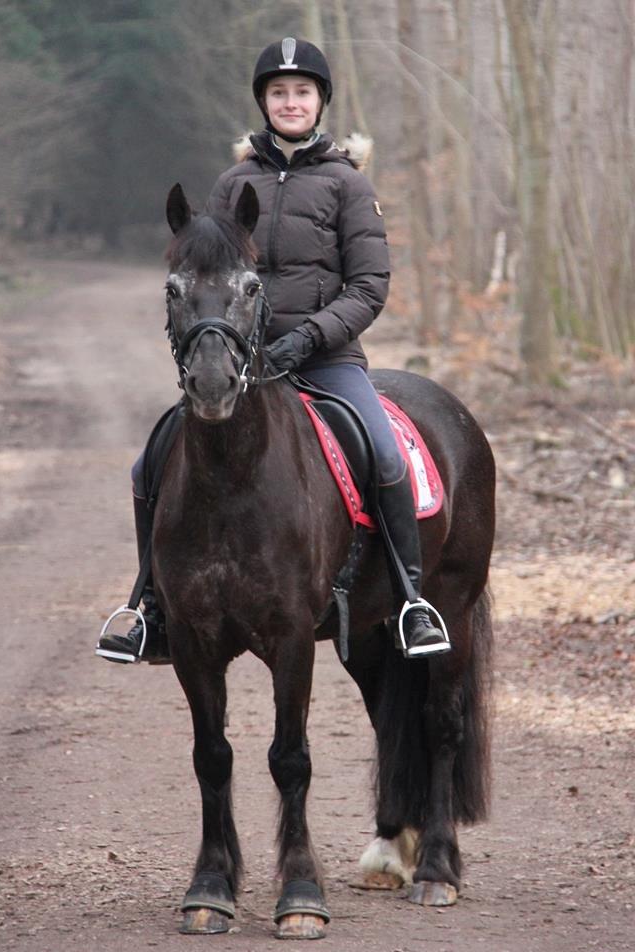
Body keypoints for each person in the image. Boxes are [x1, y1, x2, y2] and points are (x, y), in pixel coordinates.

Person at [98, 37, 449, 664]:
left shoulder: (347, 185)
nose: (291, 102)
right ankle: (151, 606)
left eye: (302, 92)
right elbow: (209, 274)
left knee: (388, 456)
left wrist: (307, 338)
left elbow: (370, 286)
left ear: (320, 102)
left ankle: (410, 602)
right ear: (264, 102)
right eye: (279, 92)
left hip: (327, 360)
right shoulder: (233, 185)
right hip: (239, 365)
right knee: (148, 465)